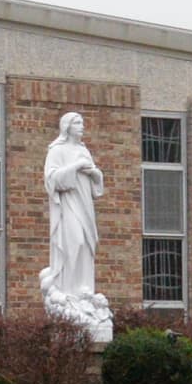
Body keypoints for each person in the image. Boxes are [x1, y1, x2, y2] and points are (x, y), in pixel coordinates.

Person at [39, 110, 115, 344]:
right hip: (68, 207)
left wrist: (92, 171)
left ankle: (84, 294)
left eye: (82, 122)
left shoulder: (84, 150)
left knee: (86, 246)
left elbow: (96, 184)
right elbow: (51, 180)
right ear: (67, 126)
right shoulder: (57, 151)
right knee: (74, 242)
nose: (82, 126)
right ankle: (68, 293)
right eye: (77, 123)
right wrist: (75, 167)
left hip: (85, 206)